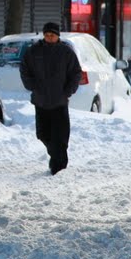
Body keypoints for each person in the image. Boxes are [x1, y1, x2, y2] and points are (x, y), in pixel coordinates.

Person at [20, 22, 82, 175]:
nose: (49, 37)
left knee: (60, 137)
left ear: (57, 36)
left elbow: (76, 73)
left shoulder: (66, 52)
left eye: (52, 35)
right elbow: (24, 70)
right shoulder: (33, 51)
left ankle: (59, 166)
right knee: (43, 134)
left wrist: (67, 91)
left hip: (59, 101)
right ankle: (56, 157)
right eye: (47, 35)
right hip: (40, 101)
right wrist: (32, 85)